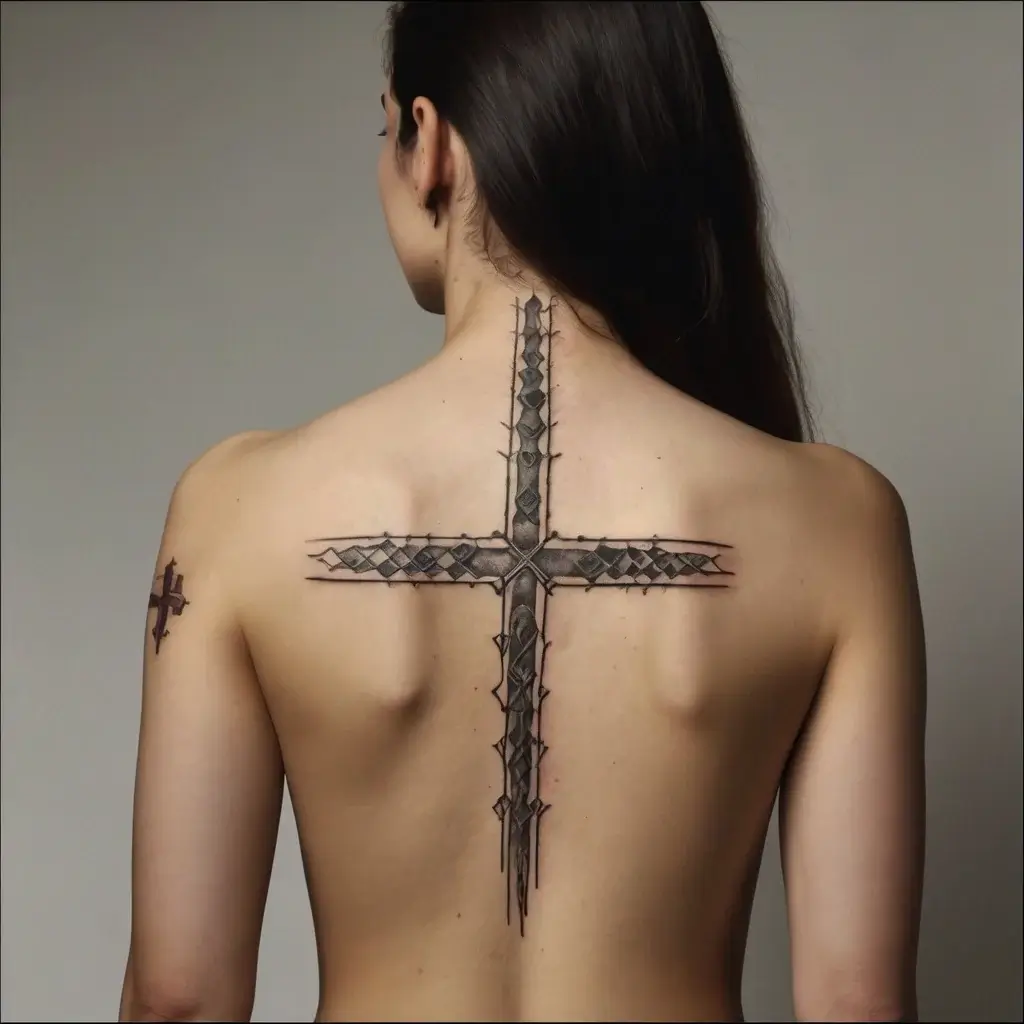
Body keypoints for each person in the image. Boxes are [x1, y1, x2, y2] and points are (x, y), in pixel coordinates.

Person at [117, 3, 926, 1021]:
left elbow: (178, 1000)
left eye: (387, 130)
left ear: (433, 145)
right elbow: (856, 1005)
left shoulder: (235, 511)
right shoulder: (837, 525)